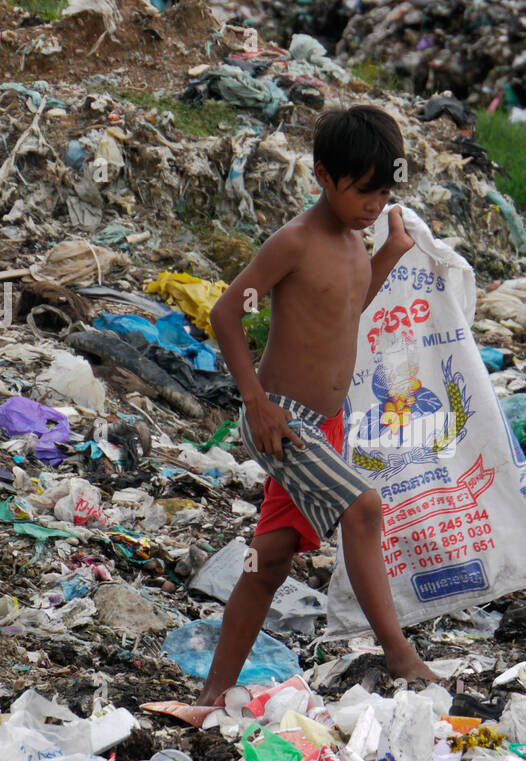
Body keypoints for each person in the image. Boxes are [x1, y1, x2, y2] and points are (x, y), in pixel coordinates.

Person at [196, 105, 439, 706]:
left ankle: (212, 693)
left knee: (270, 559)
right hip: (280, 418)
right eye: (361, 192)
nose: (372, 206)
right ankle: (401, 656)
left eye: (383, 195)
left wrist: (392, 251)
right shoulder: (296, 242)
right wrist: (255, 403)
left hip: (325, 426)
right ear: (322, 175)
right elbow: (227, 312)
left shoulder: (358, 242)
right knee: (363, 508)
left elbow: (344, 311)